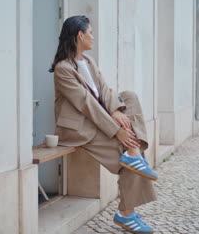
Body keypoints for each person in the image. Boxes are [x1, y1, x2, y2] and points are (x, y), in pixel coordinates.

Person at [50, 16, 157, 233]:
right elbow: (86, 104)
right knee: (125, 155)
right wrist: (116, 130)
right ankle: (126, 213)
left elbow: (105, 91)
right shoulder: (63, 69)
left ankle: (133, 152)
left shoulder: (88, 62)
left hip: (98, 120)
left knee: (129, 96)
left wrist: (116, 111)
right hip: (79, 128)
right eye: (90, 33)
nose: (93, 37)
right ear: (80, 36)